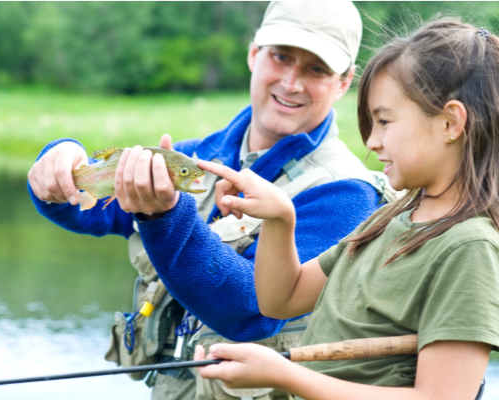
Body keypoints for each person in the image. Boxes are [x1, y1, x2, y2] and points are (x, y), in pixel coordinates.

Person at [26, 2, 397, 398]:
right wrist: (59, 163)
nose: (291, 82)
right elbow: (89, 213)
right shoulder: (197, 155)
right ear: (254, 54)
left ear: (343, 83)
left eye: (316, 69)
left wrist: (164, 215)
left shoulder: (348, 193)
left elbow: (254, 309)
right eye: (281, 56)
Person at [192, 18, 499, 400]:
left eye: (384, 121)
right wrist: (279, 218)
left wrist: (287, 376)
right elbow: (281, 298)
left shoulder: (470, 248)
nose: (372, 140)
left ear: (450, 122)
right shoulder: (390, 220)